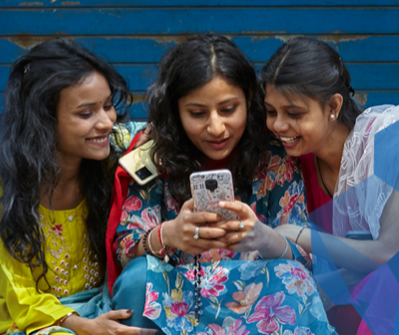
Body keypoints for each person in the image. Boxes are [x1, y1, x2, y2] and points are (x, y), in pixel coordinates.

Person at [106, 34, 337, 334]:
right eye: (197, 113)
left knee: (291, 276)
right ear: (176, 110)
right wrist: (168, 235)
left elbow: (306, 259)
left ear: (249, 98)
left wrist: (266, 239)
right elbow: (124, 253)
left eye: (228, 109)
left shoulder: (275, 153)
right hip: (177, 298)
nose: (216, 128)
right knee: (138, 279)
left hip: (258, 300)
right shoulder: (153, 155)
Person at [0, 39, 156, 335]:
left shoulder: (116, 153)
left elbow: (156, 135)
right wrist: (83, 326)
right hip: (38, 319)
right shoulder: (7, 186)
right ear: (43, 120)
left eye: (108, 106)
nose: (106, 123)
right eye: (86, 114)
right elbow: (20, 295)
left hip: (103, 305)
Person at [261, 36, 399, 334]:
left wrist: (295, 233)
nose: (279, 126)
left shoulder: (389, 142)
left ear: (333, 106)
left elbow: (388, 252)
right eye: (271, 112)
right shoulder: (297, 163)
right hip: (347, 303)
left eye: (294, 113)